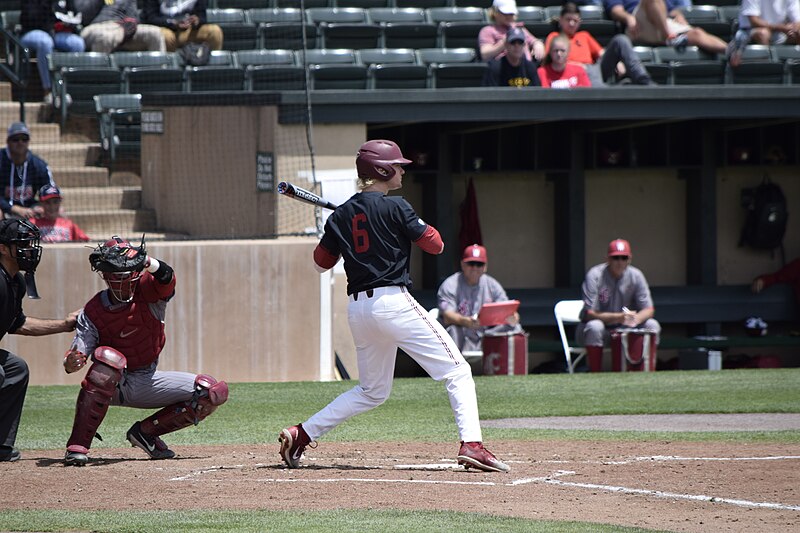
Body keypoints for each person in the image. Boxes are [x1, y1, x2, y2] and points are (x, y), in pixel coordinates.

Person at [278, 139, 510, 473]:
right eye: (397, 165)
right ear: (382, 170)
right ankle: (472, 444)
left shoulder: (343, 215)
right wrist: (395, 224)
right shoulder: (397, 207)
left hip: (358, 311)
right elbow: (436, 245)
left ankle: (302, 434)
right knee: (458, 370)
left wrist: (345, 226)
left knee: (372, 391)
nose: (402, 170)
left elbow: (319, 263)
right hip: (392, 302)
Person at [62, 236, 228, 466]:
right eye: (117, 275)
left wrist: (147, 260)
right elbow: (73, 362)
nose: (123, 281)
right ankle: (78, 446)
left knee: (210, 391)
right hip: (111, 384)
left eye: (127, 273)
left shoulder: (148, 290)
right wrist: (73, 361)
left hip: (145, 378)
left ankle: (146, 433)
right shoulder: (93, 310)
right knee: (108, 360)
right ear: (106, 276)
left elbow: (167, 276)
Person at [0, 219, 79, 462]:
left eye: (30, 244)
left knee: (16, 369)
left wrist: (65, 325)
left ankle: (1, 445)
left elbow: (18, 324)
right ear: (3, 248)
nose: (30, 250)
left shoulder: (16, 282)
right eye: (22, 244)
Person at [576, 238, 661, 372]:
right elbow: (590, 313)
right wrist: (620, 317)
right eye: (616, 258)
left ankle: (648, 370)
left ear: (629, 259)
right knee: (594, 326)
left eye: (624, 258)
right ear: (608, 259)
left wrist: (635, 319)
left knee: (652, 325)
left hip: (625, 330)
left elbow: (649, 309)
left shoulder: (636, 276)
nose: (620, 262)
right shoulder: (595, 275)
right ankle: (595, 374)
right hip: (599, 331)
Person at [437, 244, 522, 355]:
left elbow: (508, 310)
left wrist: (513, 317)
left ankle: (502, 368)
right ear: (462, 264)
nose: (475, 268)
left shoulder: (492, 285)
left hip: (486, 334)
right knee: (453, 329)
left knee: (514, 326)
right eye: (471, 264)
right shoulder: (451, 284)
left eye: (479, 264)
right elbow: (447, 316)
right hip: (462, 333)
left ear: (485, 266)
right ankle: (453, 367)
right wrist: (465, 321)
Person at [546, 2, 655, 86]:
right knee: (590, 71)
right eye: (568, 19)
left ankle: (643, 79)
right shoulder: (554, 37)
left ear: (579, 22)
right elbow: (548, 62)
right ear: (560, 20)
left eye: (575, 20)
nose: (571, 23)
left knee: (620, 40)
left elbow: (601, 53)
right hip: (572, 72)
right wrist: (577, 66)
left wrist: (617, 62)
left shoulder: (584, 35)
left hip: (594, 70)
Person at [604, 0, 741, 66]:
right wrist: (628, 18)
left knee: (697, 33)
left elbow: (671, 10)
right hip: (637, 26)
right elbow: (616, 11)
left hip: (662, 24)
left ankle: (729, 51)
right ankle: (668, 37)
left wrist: (678, 16)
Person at [20, 1, 86, 106]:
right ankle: (48, 90)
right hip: (32, 31)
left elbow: (74, 14)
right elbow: (29, 18)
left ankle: (65, 90)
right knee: (45, 42)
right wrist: (49, 15)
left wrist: (64, 22)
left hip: (55, 33)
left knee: (77, 43)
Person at [1, 122, 56, 220]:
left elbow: (49, 191)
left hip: (29, 209)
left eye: (24, 139)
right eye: (15, 139)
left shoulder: (38, 165)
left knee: (57, 212)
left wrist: (42, 206)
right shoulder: (1, 160)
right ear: (8, 142)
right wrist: (13, 208)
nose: (20, 143)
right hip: (4, 208)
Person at [80, 0, 166, 53]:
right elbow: (84, 17)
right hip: (98, 26)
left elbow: (134, 17)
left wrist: (128, 25)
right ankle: (97, 79)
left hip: (123, 27)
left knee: (155, 33)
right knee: (106, 38)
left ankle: (159, 77)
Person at [141, 0, 223, 53]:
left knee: (214, 31)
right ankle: (171, 69)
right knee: (165, 37)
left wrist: (197, 21)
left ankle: (209, 70)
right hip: (167, 29)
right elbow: (151, 18)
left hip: (190, 30)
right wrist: (172, 23)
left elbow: (202, 16)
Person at [479, 0, 546, 62]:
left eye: (511, 13)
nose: (509, 16)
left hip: (524, 68)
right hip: (502, 69)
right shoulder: (487, 30)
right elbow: (485, 55)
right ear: (495, 12)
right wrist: (505, 42)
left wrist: (537, 44)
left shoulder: (519, 28)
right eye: (505, 13)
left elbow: (533, 40)